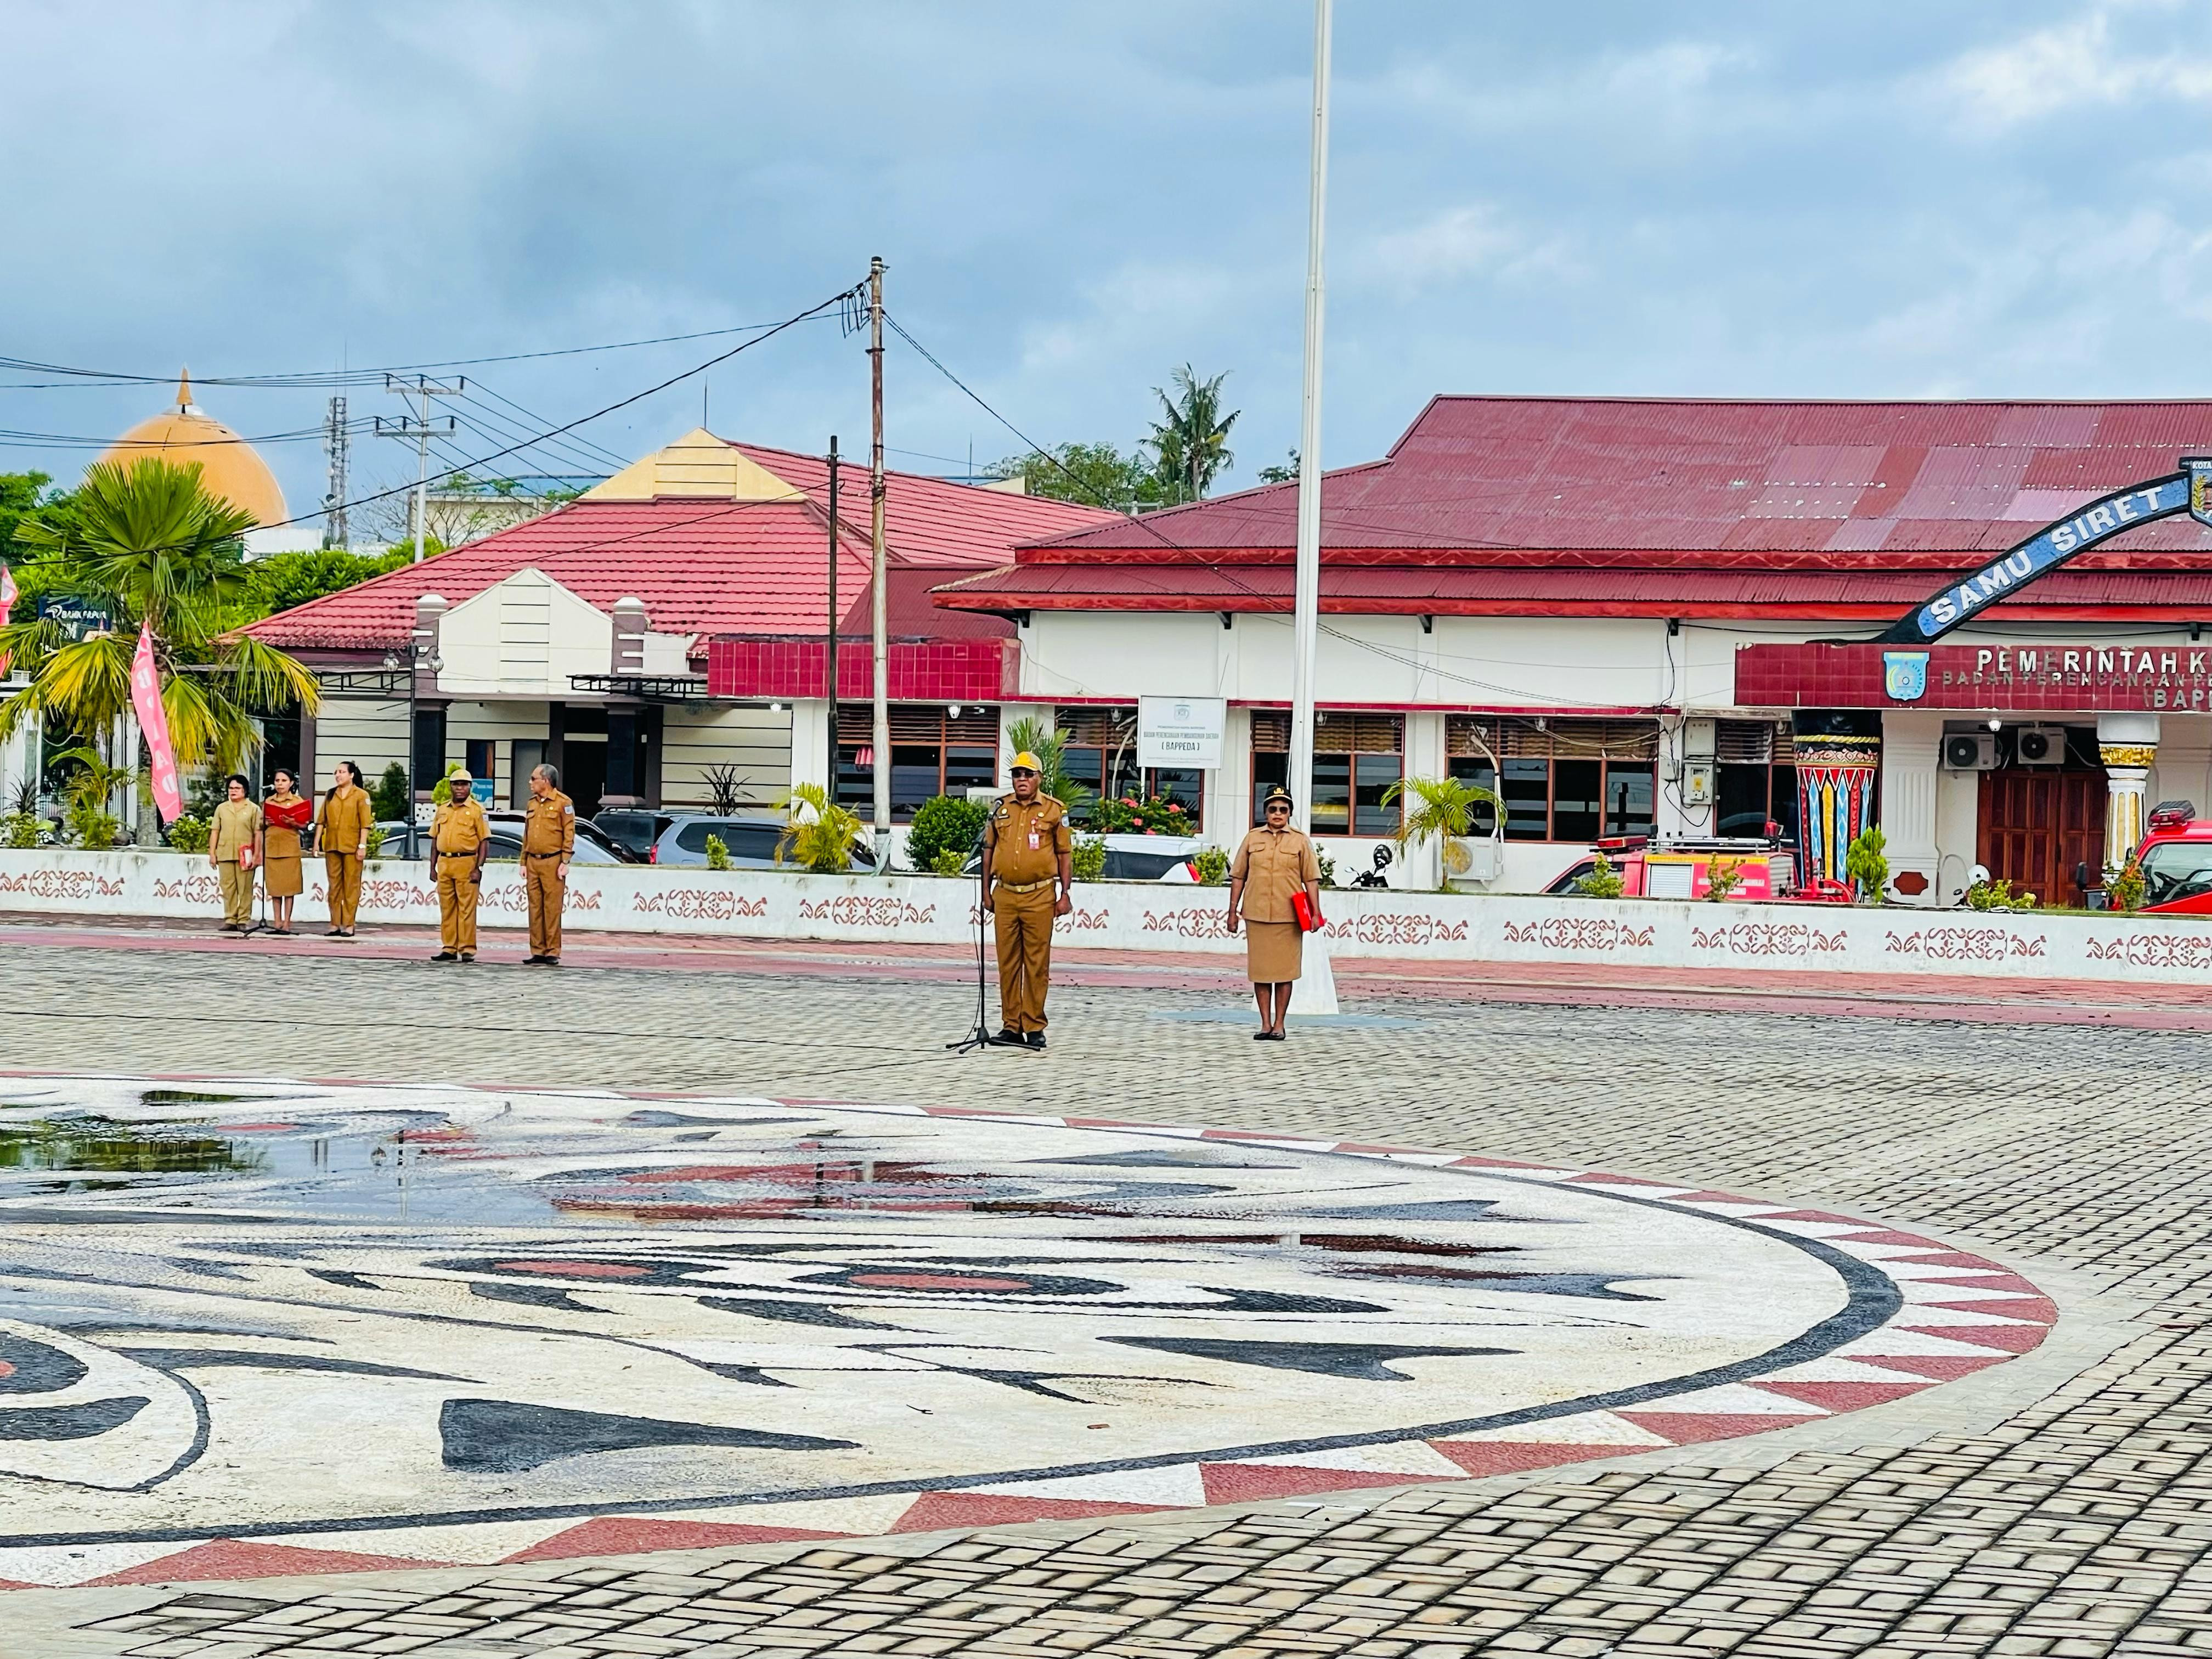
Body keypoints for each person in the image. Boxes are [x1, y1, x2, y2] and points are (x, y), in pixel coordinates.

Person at [981, 751, 1071, 1049]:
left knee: (1036, 963)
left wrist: (1065, 894)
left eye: (1028, 774)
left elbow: (1064, 854)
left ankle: (1033, 1026)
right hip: (1005, 894)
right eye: (1017, 774)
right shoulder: (1000, 809)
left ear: (1039, 778)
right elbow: (989, 850)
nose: (1022, 779)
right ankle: (1011, 1026)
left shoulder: (1054, 810)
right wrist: (985, 891)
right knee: (1007, 963)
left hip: (1040, 894)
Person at [1226, 785, 1324, 1041]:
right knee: (1261, 972)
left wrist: (1316, 913)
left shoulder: (1300, 841)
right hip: (1257, 915)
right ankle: (1265, 1024)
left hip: (1288, 917)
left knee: (1283, 973)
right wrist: (1232, 912)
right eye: (1273, 809)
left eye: (1283, 809)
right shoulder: (1252, 839)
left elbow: (1311, 879)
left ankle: (1279, 1024)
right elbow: (1238, 876)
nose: (1278, 814)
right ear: (1265, 812)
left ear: (1290, 812)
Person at [428, 768, 492, 963]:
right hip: (445, 863)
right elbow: (435, 839)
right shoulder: (442, 809)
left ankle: (467, 948)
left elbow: (484, 841)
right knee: (447, 909)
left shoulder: (477, 810)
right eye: (456, 784)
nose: (460, 788)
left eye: (464, 784)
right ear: (450, 787)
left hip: (467, 862)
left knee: (466, 909)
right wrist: (432, 867)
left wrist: (478, 868)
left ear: (470, 787)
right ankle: (449, 947)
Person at [520, 762, 575, 966]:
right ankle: (538, 951)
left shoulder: (563, 803)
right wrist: (523, 861)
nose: (530, 783)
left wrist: (565, 860)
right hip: (533, 861)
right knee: (535, 908)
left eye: (534, 779)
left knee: (552, 908)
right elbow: (527, 834)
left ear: (546, 780)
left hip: (553, 861)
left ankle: (552, 951)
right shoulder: (532, 804)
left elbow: (569, 833)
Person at [315, 761, 373, 938]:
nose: (338, 775)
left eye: (342, 772)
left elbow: (365, 824)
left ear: (351, 775)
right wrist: (316, 843)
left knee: (351, 887)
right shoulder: (331, 794)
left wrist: (362, 845)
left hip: (352, 846)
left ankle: (349, 924)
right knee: (334, 887)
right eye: (336, 772)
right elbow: (321, 821)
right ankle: (335, 923)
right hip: (332, 845)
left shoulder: (361, 795)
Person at [207, 774, 262, 934]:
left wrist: (257, 854)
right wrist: (212, 853)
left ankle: (243, 919)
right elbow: (215, 831)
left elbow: (258, 833)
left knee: (245, 888)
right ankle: (230, 918)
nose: (233, 791)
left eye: (237, 788)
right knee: (228, 888)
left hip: (246, 854)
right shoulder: (222, 808)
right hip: (225, 852)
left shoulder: (253, 809)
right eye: (231, 788)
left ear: (245, 790)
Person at [259, 769, 311, 936]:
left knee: (289, 889)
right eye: (277, 781)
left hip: (290, 849)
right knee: (275, 889)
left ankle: (287, 923)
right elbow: (260, 825)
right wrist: (266, 822)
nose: (280, 784)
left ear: (291, 783)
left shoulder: (297, 801)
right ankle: (277, 922)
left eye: (284, 781)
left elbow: (305, 825)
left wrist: (292, 822)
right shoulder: (269, 801)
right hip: (272, 848)